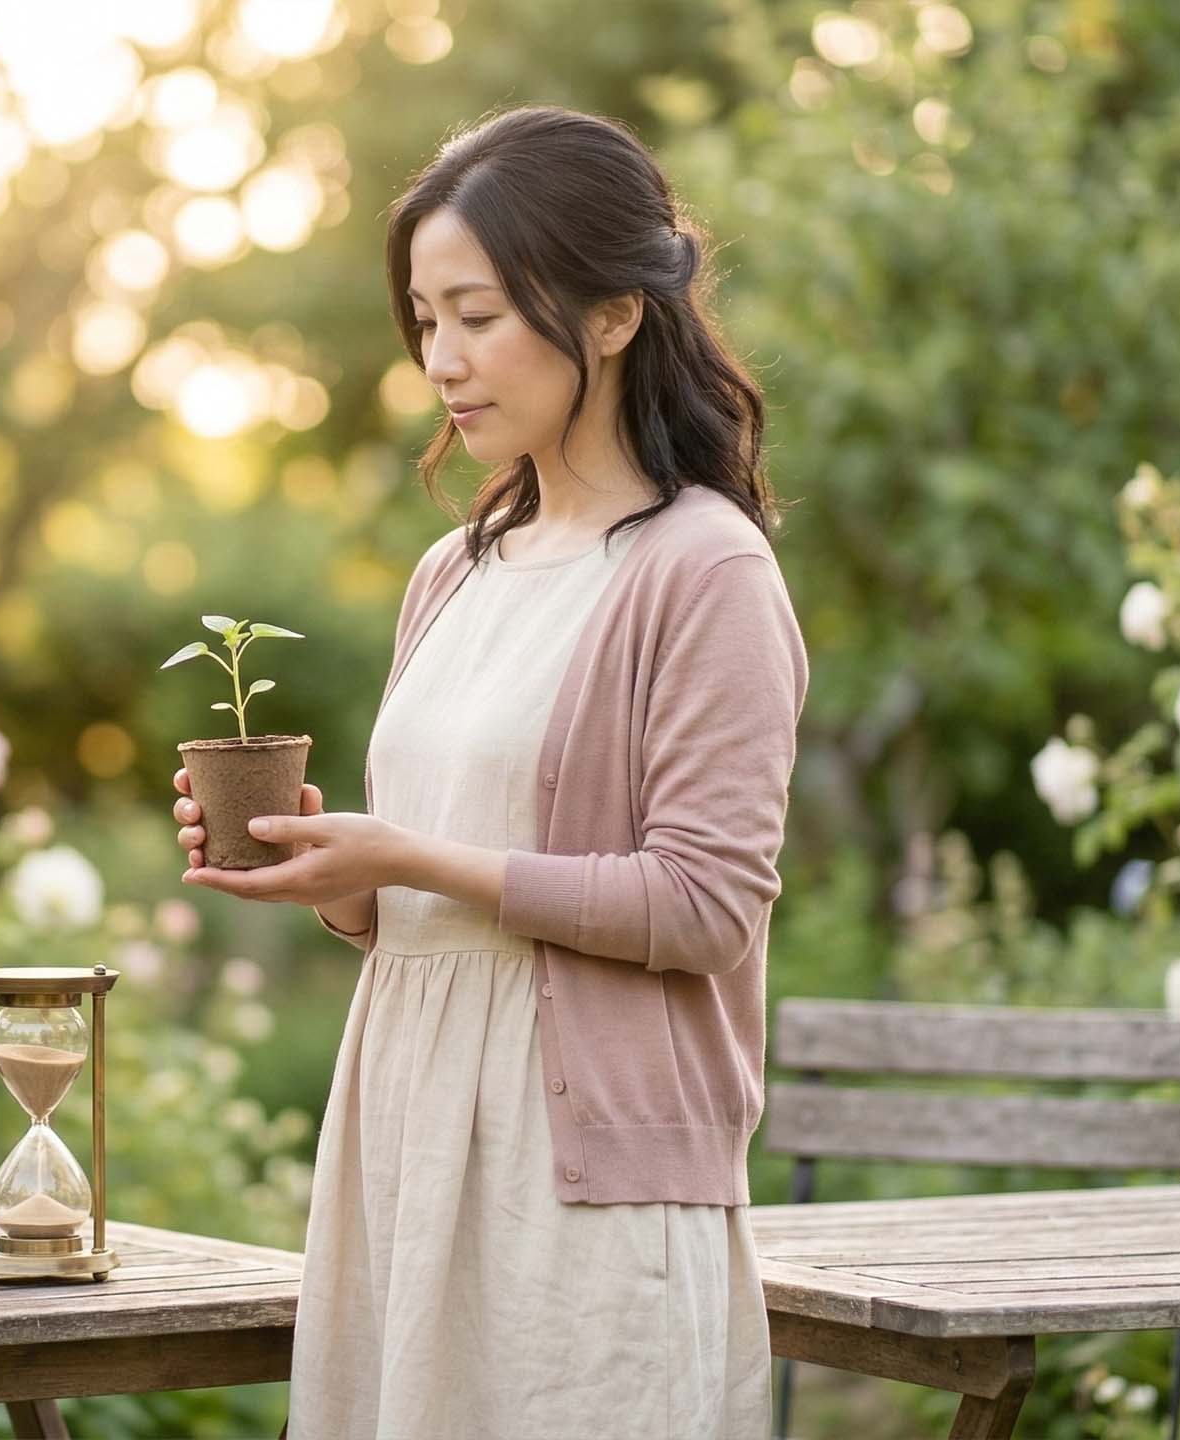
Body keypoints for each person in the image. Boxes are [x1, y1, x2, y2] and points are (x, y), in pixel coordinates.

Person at [171, 104, 807, 1440]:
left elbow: (702, 909)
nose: (442, 361)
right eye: (424, 321)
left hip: (580, 1198)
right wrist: (329, 870)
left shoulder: (707, 571)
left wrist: (404, 854)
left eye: (478, 315)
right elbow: (420, 904)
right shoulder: (451, 572)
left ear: (616, 313)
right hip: (405, 1149)